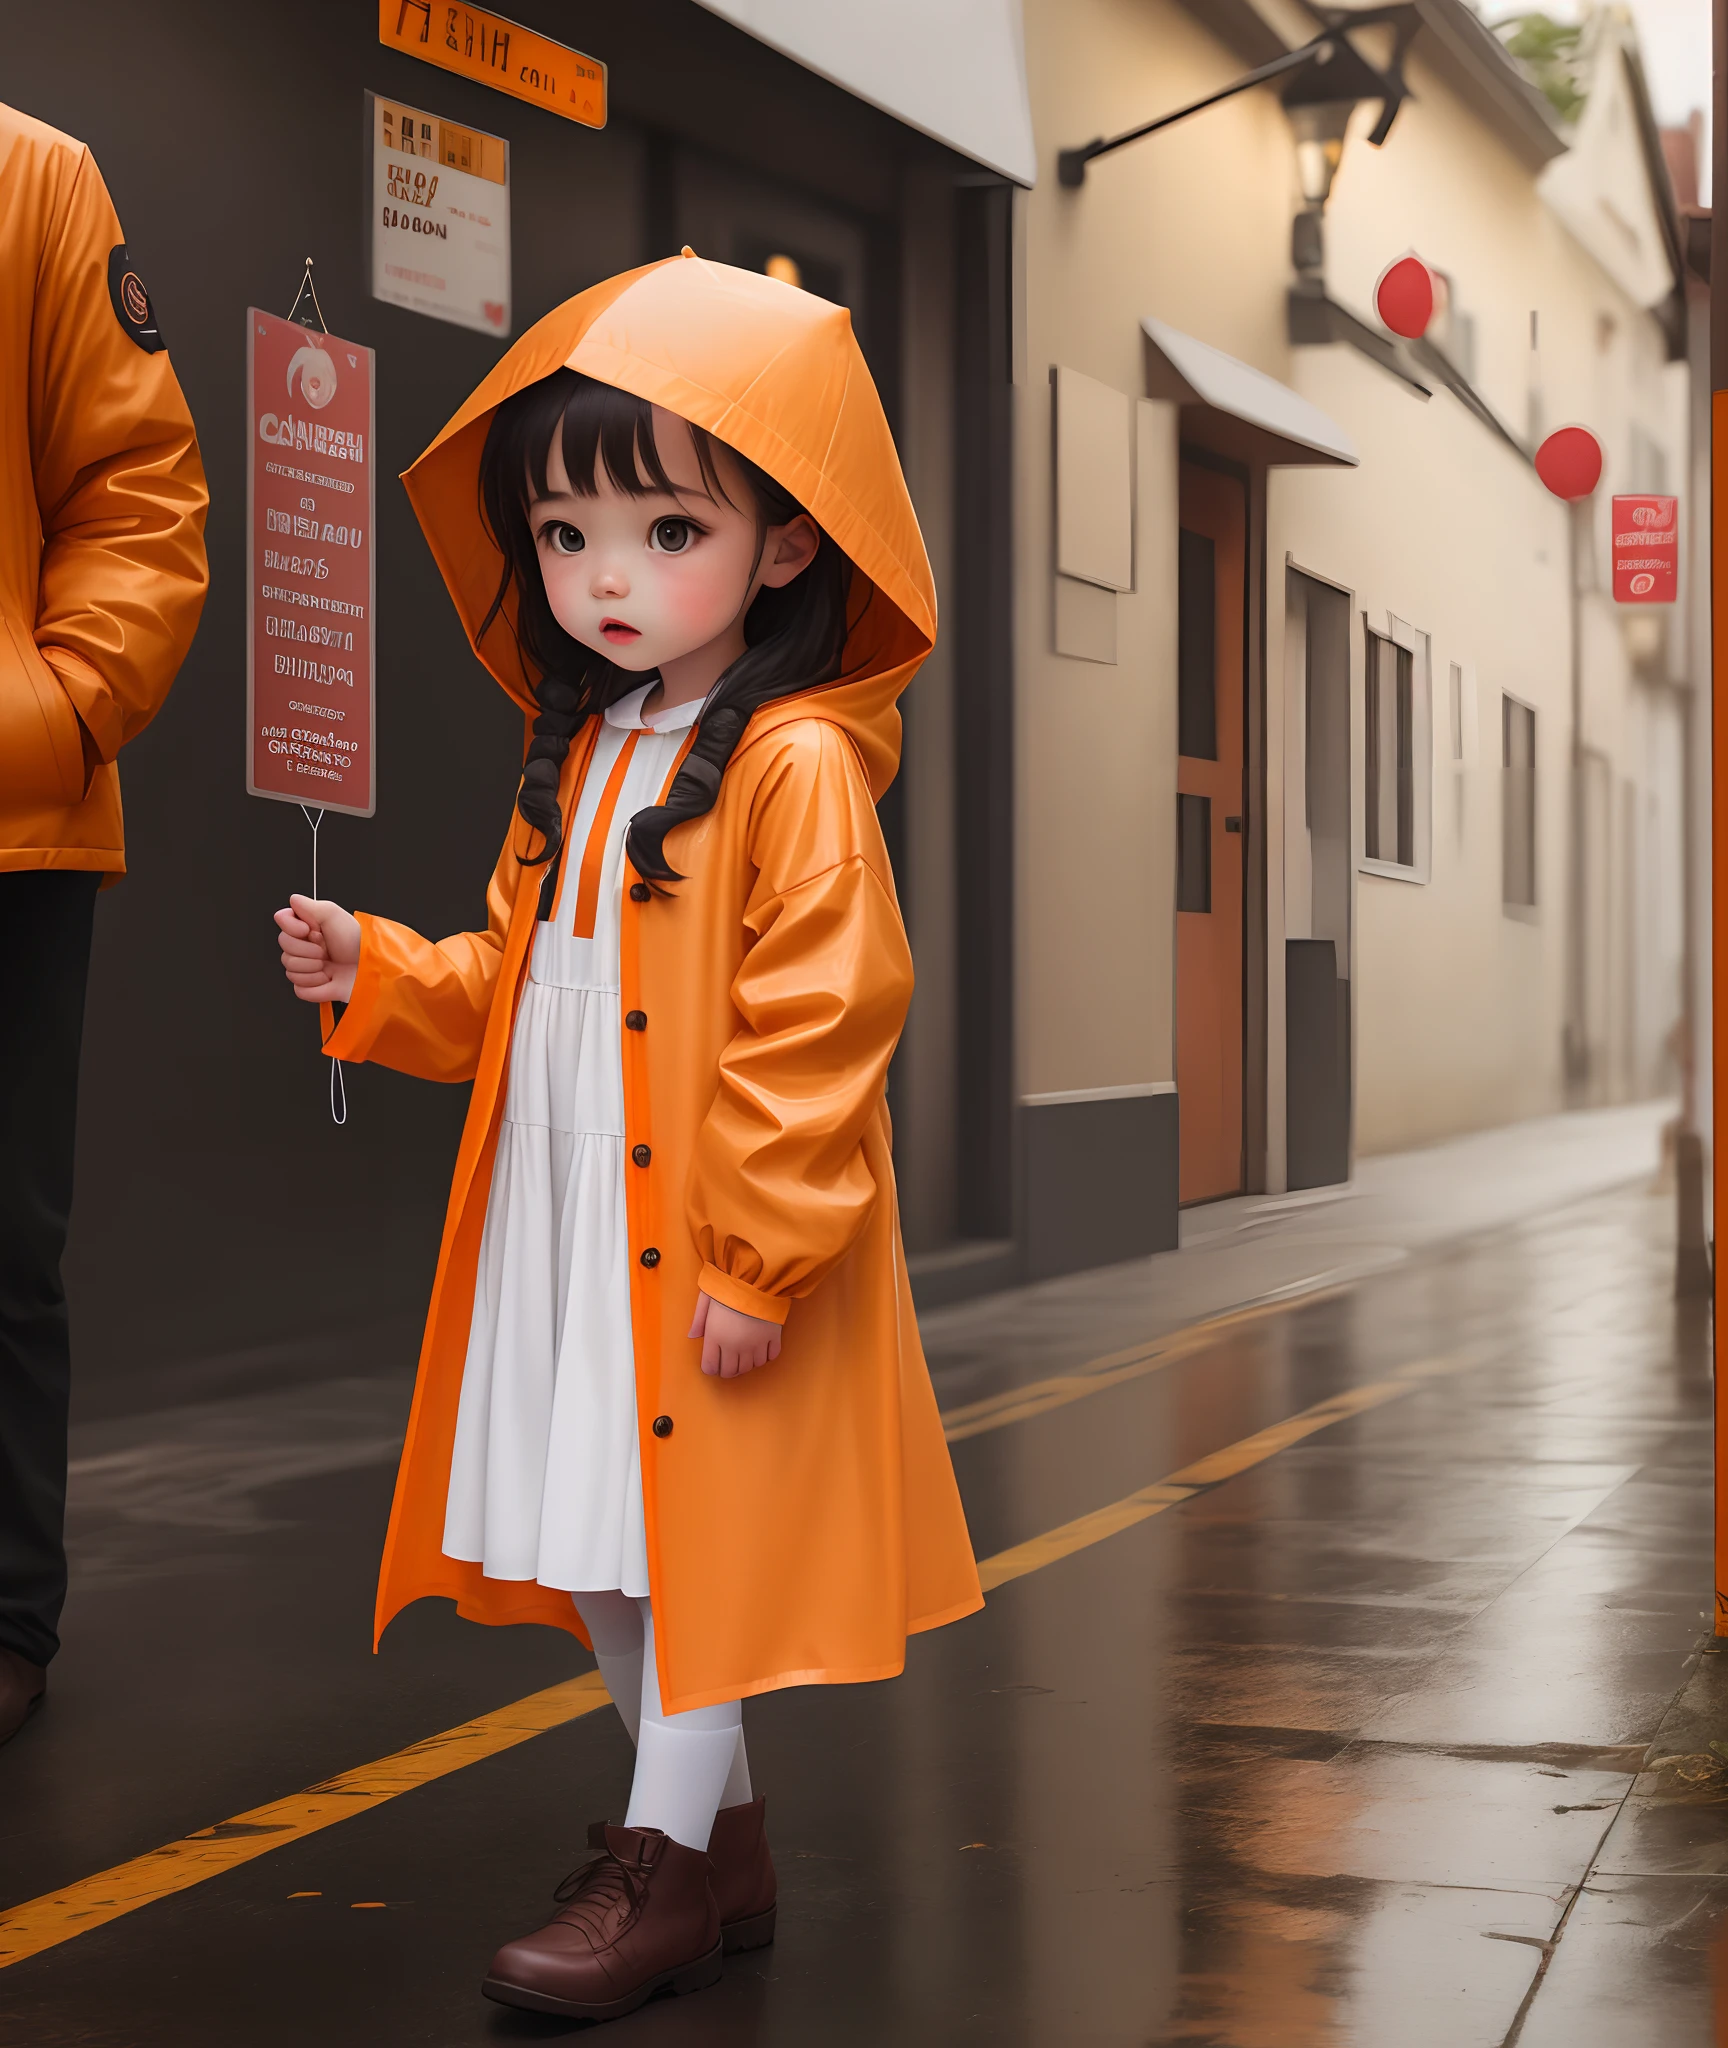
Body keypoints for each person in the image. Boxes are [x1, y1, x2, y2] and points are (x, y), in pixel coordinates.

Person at [272, 254, 982, 2023]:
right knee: (597, 1536)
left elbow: (821, 1025)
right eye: (570, 530)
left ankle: (659, 1876)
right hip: (567, 1201)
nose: (606, 576)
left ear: (787, 547)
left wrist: (759, 1254)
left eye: (670, 532)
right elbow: (522, 980)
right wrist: (384, 974)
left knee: (690, 1550)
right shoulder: (582, 745)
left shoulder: (794, 767)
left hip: (705, 1224)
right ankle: (717, 1848)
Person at [0, 104, 209, 1747]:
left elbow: (139, 486)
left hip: (8, 823)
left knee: (1, 1243)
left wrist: (59, 719)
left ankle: (4, 1620)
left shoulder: (32, 176)